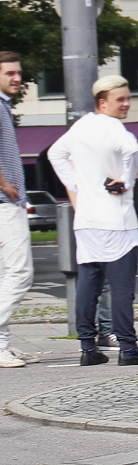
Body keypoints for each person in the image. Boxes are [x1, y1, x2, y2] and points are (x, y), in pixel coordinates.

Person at [48, 75, 138, 366]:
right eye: (120, 99)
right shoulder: (116, 129)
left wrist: (79, 186)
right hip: (117, 220)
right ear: (102, 102)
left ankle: (87, 347)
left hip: (86, 220)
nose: (127, 104)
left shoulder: (80, 127)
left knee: (88, 284)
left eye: (128, 98)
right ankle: (128, 348)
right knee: (121, 287)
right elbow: (132, 153)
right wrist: (127, 179)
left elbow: (55, 154)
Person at [0, 52, 37, 368]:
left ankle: (2, 346)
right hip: (4, 204)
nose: (17, 78)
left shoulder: (4, 106)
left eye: (18, 73)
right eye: (10, 73)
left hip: (6, 203)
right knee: (21, 273)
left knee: (3, 275)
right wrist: (4, 184)